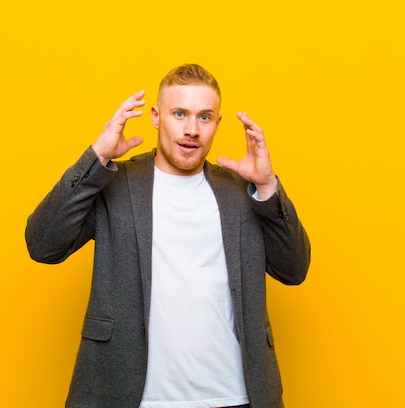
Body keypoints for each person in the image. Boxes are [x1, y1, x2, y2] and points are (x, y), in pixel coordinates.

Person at [25, 63, 311, 408]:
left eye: (204, 117)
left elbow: (294, 270)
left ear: (217, 124)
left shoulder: (240, 190)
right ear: (157, 117)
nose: (192, 129)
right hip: (133, 396)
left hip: (235, 395)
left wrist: (267, 187)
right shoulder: (115, 184)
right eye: (180, 114)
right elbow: (42, 245)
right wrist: (96, 158)